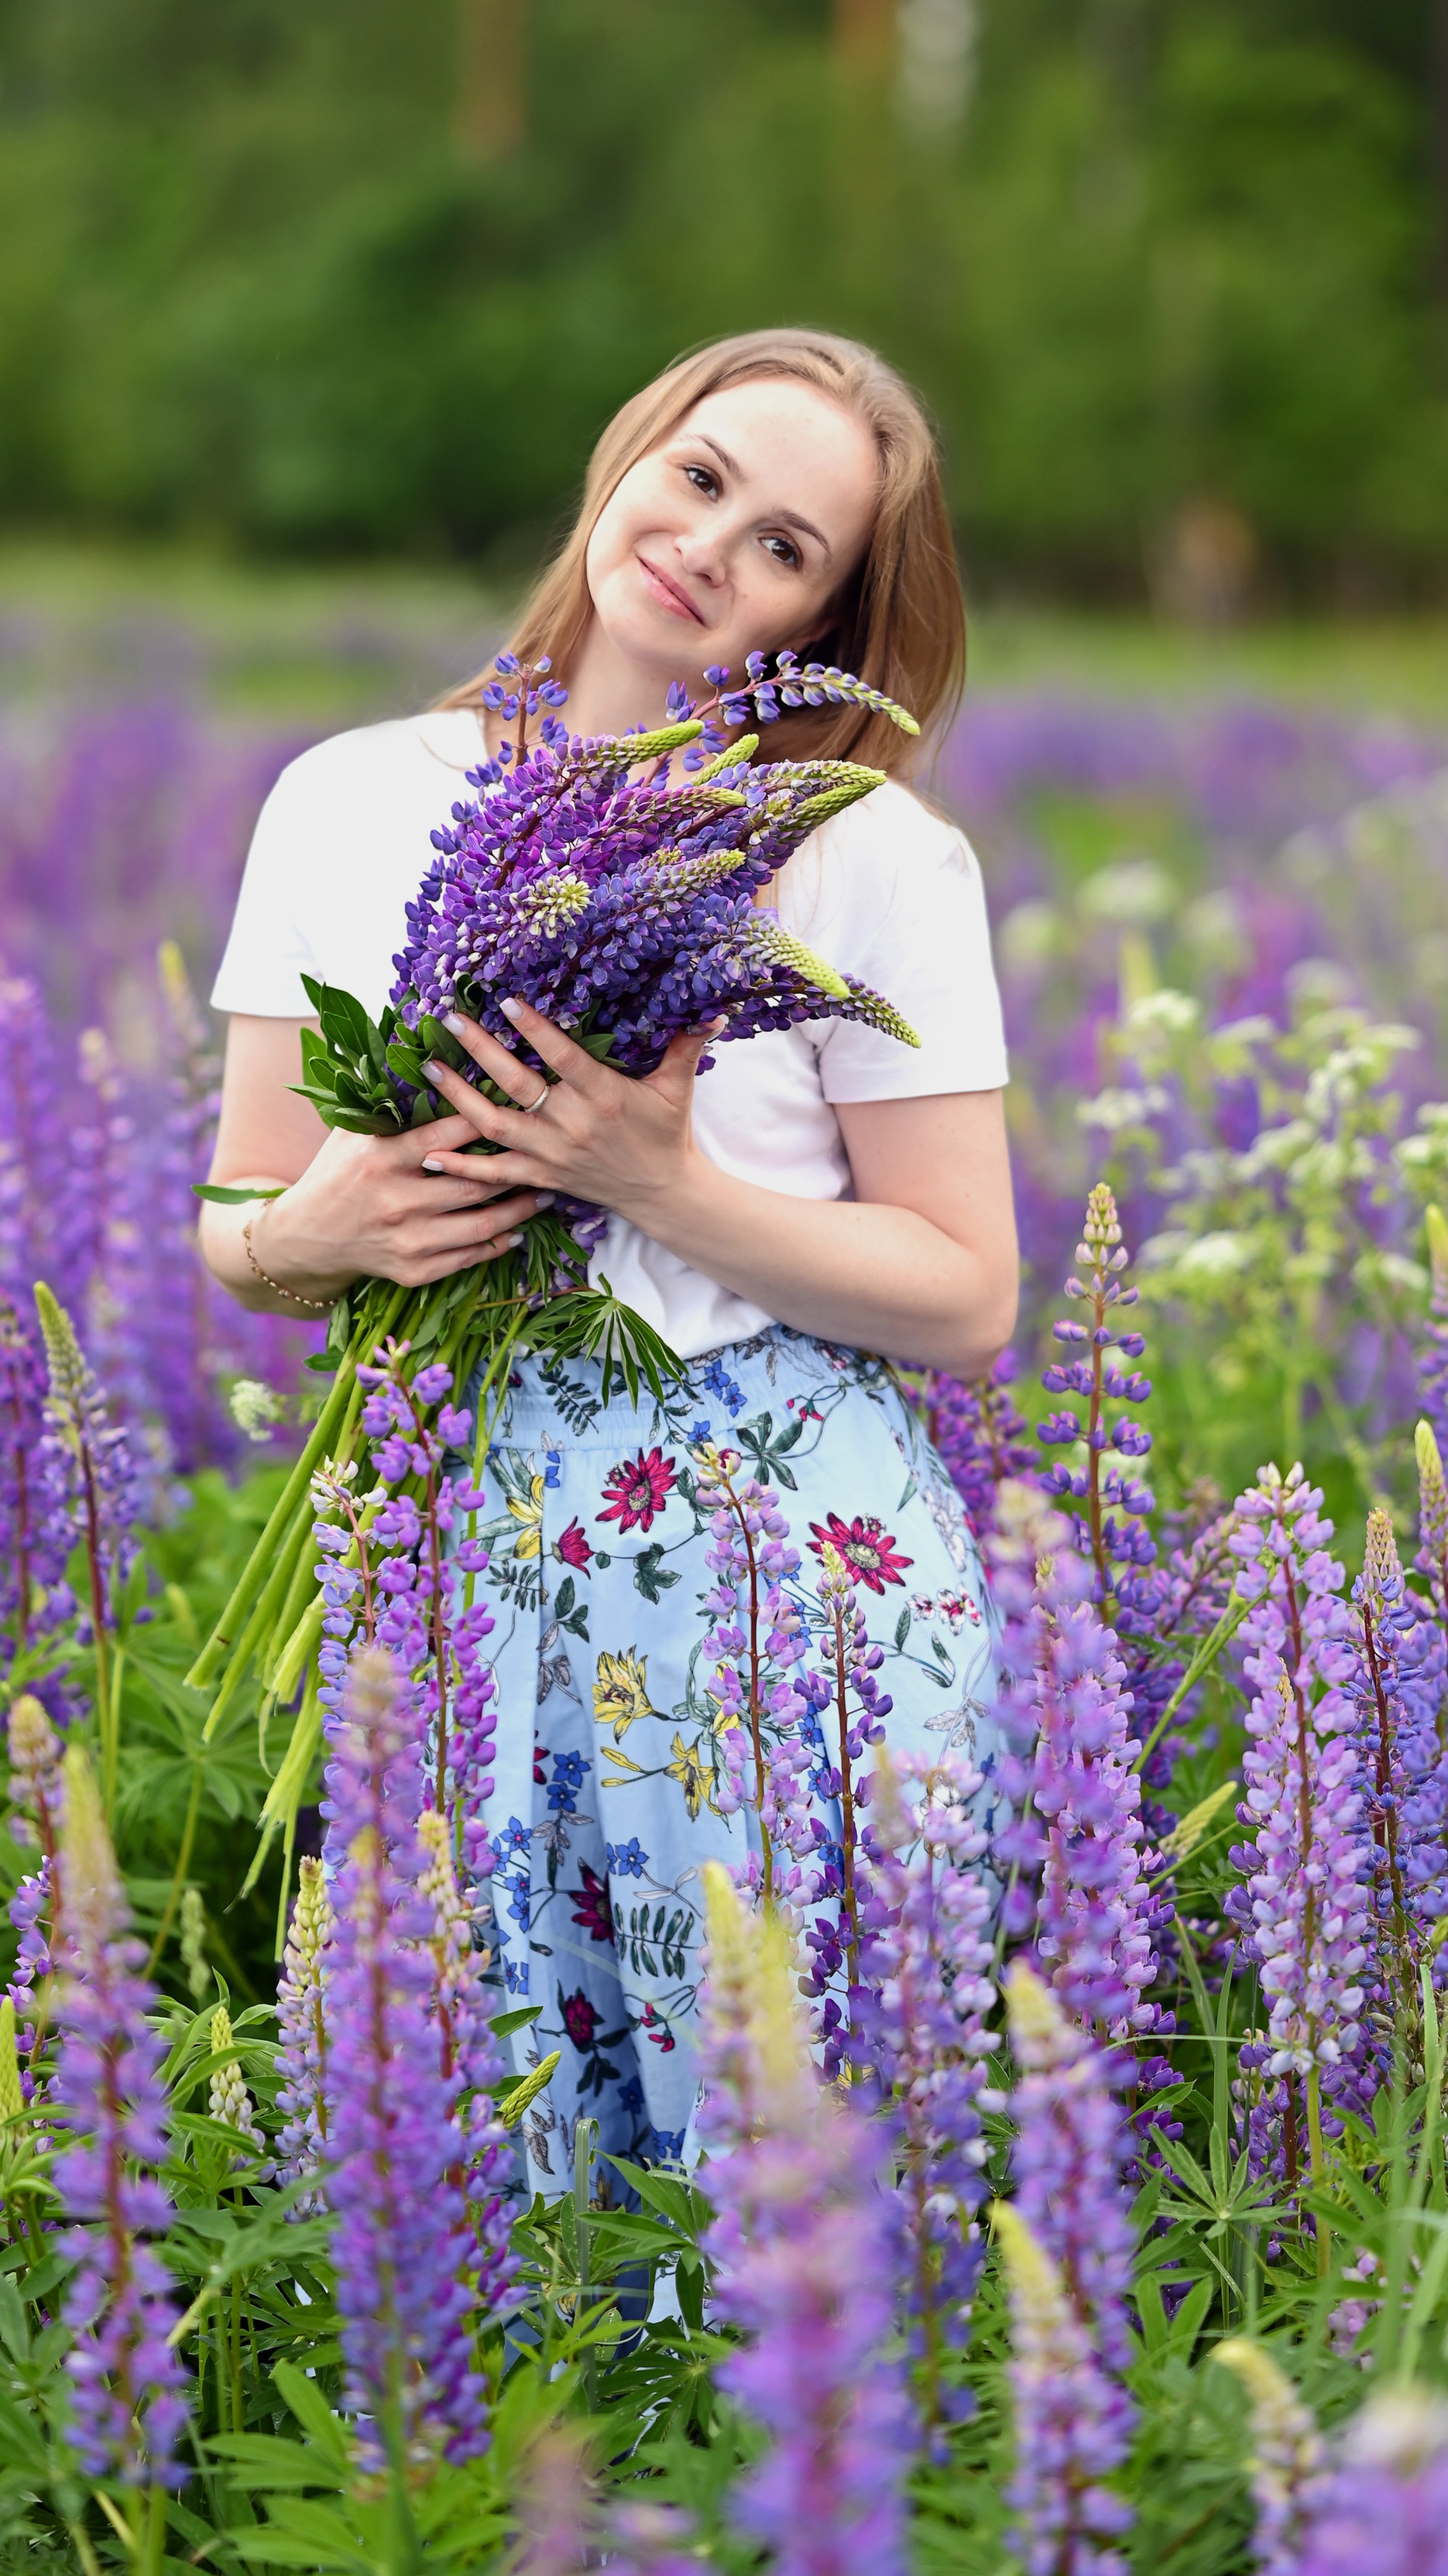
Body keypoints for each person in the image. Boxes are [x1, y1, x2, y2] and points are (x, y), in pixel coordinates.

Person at [200, 328, 1016, 2188]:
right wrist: (307, 1237)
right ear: (631, 449)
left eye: (789, 545)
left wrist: (658, 1181)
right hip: (444, 1522)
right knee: (496, 2157)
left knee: (790, 2149)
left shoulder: (858, 845)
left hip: (780, 1561)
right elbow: (239, 1210)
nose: (713, 543)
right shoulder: (348, 795)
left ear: (819, 619)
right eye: (705, 472)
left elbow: (970, 1292)